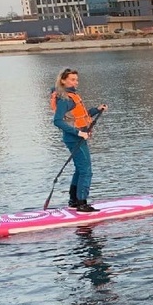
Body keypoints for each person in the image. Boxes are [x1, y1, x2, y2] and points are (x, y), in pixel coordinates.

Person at [50, 68, 106, 212]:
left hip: (76, 137)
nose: (76, 82)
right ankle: (81, 204)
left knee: (80, 169)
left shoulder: (71, 96)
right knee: (86, 171)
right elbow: (57, 121)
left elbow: (81, 116)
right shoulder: (65, 99)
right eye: (72, 80)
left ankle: (74, 201)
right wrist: (79, 133)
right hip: (75, 138)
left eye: (77, 80)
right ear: (63, 81)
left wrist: (97, 109)